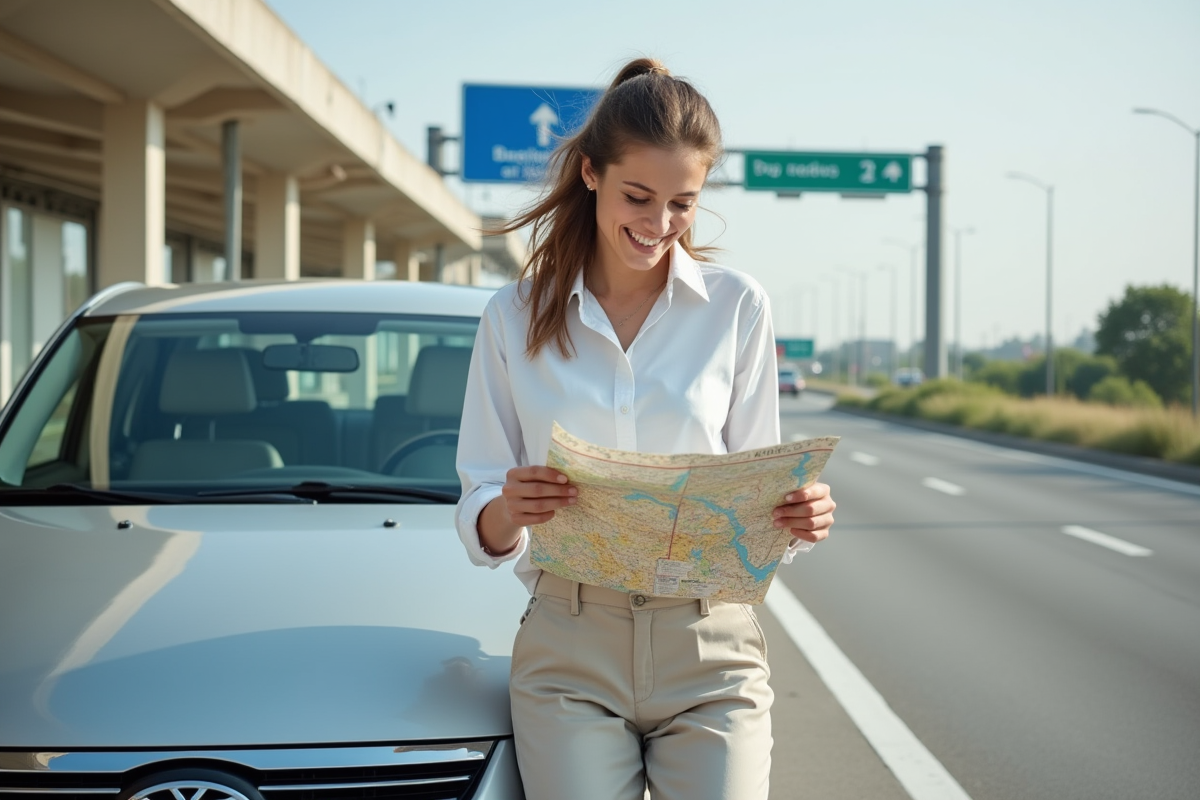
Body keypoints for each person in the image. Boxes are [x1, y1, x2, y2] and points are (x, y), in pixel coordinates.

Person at [455, 57, 837, 800]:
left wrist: (799, 515)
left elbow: (763, 488)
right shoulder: (511, 316)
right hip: (570, 649)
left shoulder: (738, 307)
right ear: (592, 173)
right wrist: (509, 509)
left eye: (683, 204)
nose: (659, 225)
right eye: (639, 196)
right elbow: (481, 508)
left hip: (711, 647)